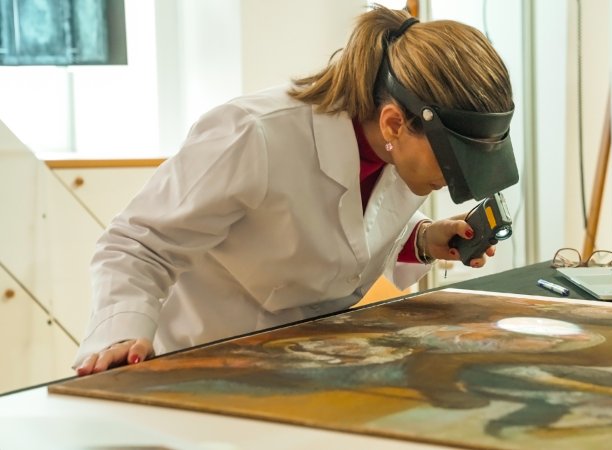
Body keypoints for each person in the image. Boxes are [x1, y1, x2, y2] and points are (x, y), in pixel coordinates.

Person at [75, 5, 518, 376]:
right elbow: (138, 244)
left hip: (312, 365)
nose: (453, 180)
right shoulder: (252, 135)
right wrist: (122, 334)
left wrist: (421, 239)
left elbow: (347, 224)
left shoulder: (400, 148)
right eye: (452, 162)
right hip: (209, 364)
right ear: (393, 124)